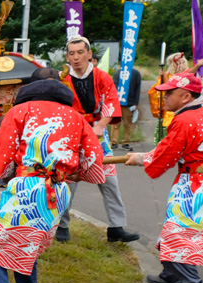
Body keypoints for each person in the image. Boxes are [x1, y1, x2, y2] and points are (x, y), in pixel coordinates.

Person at [0, 73, 106, 283]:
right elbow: (93, 160)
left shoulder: (20, 111)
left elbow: (3, 154)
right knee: (27, 242)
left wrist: (0, 174)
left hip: (29, 186)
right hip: (58, 189)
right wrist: (74, 174)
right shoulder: (77, 118)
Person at [122, 72, 203, 283]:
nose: (165, 97)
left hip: (199, 183)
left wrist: (141, 158)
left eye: (170, 93)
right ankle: (172, 274)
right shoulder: (202, 112)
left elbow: (167, 153)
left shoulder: (185, 119)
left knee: (180, 232)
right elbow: (172, 148)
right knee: (178, 227)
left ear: (185, 96)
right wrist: (143, 156)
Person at [57, 36, 140, 244]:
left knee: (110, 180)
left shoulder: (102, 77)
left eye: (80, 52)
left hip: (97, 133)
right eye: (71, 53)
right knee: (67, 182)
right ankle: (62, 225)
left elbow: (111, 104)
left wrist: (101, 126)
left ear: (89, 54)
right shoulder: (62, 78)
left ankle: (116, 227)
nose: (76, 57)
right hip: (71, 135)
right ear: (67, 56)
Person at [111, 66, 142, 151]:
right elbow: (113, 87)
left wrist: (136, 103)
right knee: (115, 124)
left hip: (129, 103)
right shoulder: (118, 73)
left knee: (127, 124)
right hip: (118, 103)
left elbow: (137, 89)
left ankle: (126, 142)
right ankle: (114, 142)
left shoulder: (136, 74)